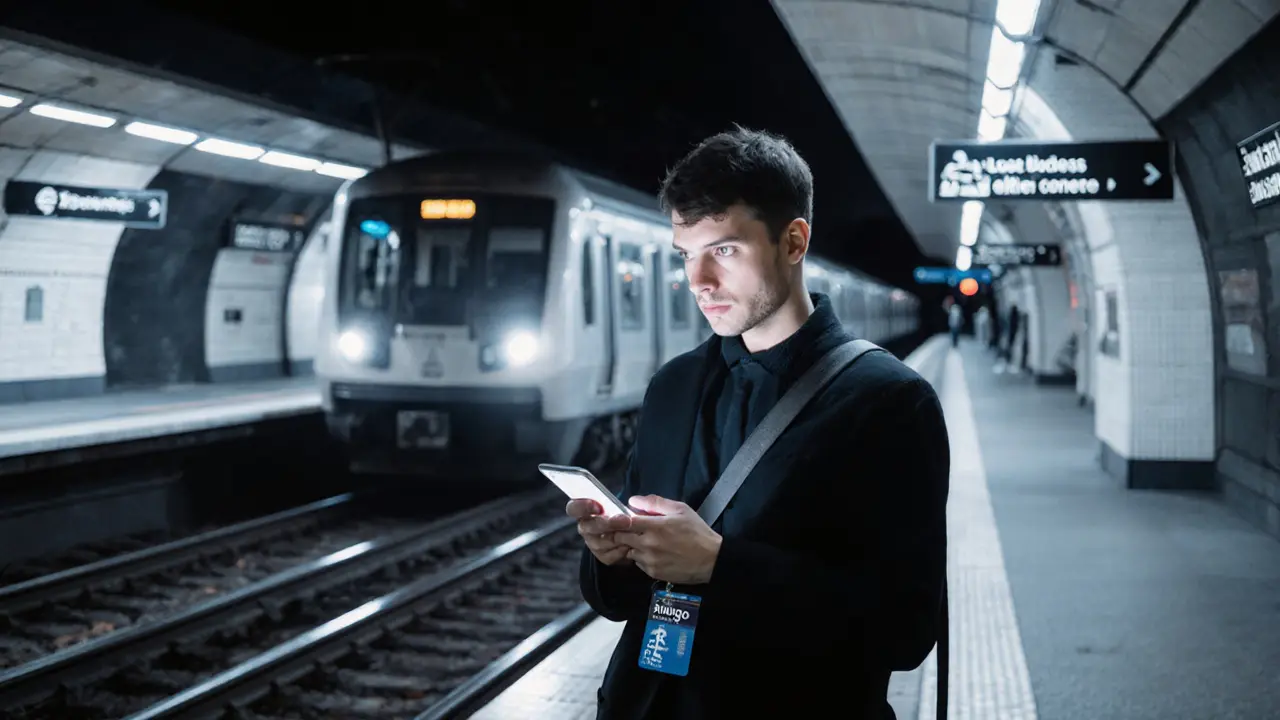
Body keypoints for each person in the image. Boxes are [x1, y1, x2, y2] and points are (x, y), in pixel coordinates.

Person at [566, 127, 951, 719]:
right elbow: (620, 602)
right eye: (686, 256)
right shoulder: (672, 387)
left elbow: (904, 629)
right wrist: (610, 555)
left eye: (723, 250)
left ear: (793, 241)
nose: (698, 282)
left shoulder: (890, 403)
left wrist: (721, 566)